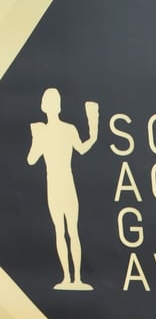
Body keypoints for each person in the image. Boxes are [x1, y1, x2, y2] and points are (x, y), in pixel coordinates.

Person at [27, 88, 99, 291]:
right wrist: (36, 137)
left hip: (66, 185)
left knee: (70, 231)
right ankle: (68, 278)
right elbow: (31, 159)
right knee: (63, 231)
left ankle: (75, 278)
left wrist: (94, 129)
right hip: (56, 186)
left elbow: (82, 148)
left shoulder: (68, 130)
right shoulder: (46, 131)